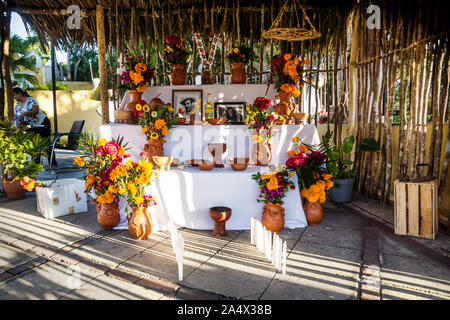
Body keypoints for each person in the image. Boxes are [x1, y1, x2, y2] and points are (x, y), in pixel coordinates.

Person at [12, 87, 57, 168]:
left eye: (14, 95)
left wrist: (24, 114)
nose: (13, 97)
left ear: (19, 93)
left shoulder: (31, 100)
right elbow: (17, 117)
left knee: (45, 143)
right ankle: (36, 164)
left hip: (42, 124)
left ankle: (53, 163)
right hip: (31, 126)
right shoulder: (17, 105)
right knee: (33, 144)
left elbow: (35, 111)